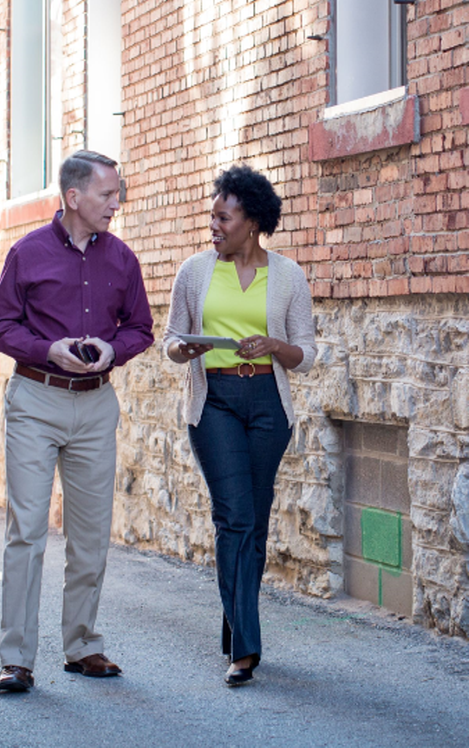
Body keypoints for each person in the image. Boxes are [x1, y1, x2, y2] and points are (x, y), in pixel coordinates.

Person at [0, 150, 154, 692]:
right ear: (74, 198)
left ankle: (82, 646)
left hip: (96, 403)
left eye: (118, 192)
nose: (116, 203)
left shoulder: (123, 259)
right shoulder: (27, 253)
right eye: (108, 195)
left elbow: (142, 329)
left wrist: (112, 348)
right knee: (27, 531)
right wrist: (46, 349)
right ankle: (17, 657)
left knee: (89, 534)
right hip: (36, 398)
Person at [163, 164, 316, 686]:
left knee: (255, 522)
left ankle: (235, 628)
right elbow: (171, 340)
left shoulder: (289, 276)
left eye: (222, 218)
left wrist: (274, 346)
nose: (214, 226)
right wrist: (183, 350)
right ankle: (246, 650)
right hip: (216, 403)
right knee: (234, 518)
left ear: (251, 222)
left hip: (269, 403)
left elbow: (306, 354)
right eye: (212, 217)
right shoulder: (195, 271)